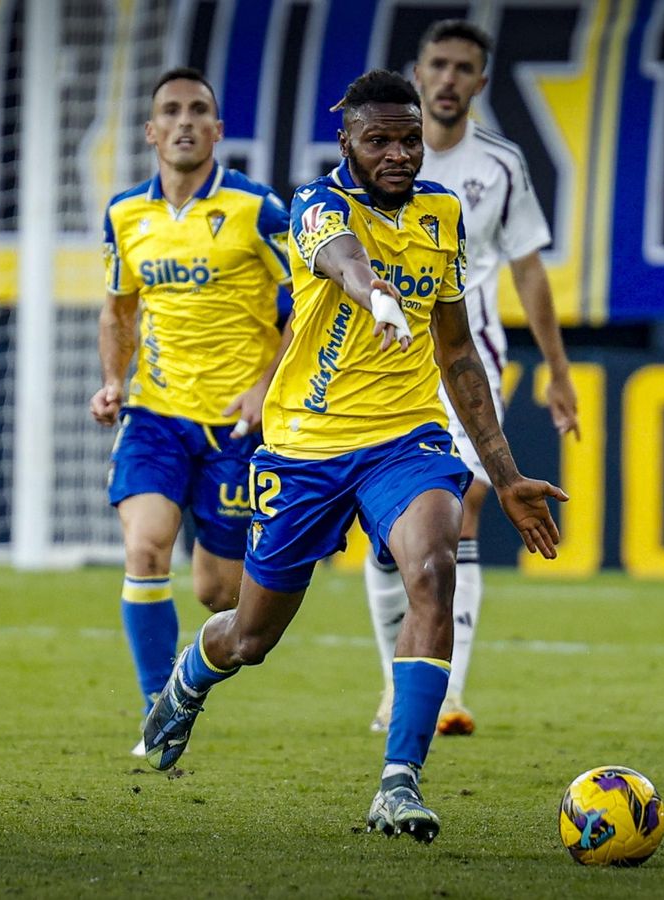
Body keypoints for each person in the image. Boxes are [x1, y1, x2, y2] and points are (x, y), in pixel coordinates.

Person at [140, 69, 566, 843]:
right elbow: (342, 259)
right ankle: (192, 673)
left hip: (405, 441)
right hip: (306, 449)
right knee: (250, 638)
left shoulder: (441, 213)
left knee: (433, 570)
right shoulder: (316, 205)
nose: (398, 154)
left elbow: (456, 350)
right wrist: (377, 297)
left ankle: (399, 783)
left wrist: (504, 476)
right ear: (347, 143)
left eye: (409, 140)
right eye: (379, 141)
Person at [362, 19, 582, 737]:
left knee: (465, 503)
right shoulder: (379, 154)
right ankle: (395, 684)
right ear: (417, 72)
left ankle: (446, 691)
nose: (449, 78)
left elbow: (528, 268)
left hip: (469, 354)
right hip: (382, 358)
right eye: (439, 65)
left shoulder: (501, 164)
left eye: (463, 68)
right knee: (388, 528)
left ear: (481, 82)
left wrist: (557, 370)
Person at [91, 68, 293, 755]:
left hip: (237, 425)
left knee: (219, 593)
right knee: (145, 546)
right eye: (171, 111)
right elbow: (118, 311)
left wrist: (264, 387)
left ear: (217, 129)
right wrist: (113, 381)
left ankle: (186, 676)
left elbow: (307, 308)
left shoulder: (258, 209)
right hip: (156, 415)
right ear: (151, 131)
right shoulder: (126, 214)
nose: (185, 121)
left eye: (198, 110)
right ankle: (159, 708)